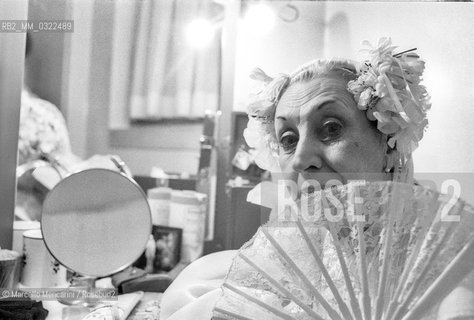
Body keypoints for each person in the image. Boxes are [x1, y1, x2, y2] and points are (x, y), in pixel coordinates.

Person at [160, 38, 474, 320]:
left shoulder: (451, 270)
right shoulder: (259, 279)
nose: (299, 159)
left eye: (331, 128)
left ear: (389, 145)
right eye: (287, 139)